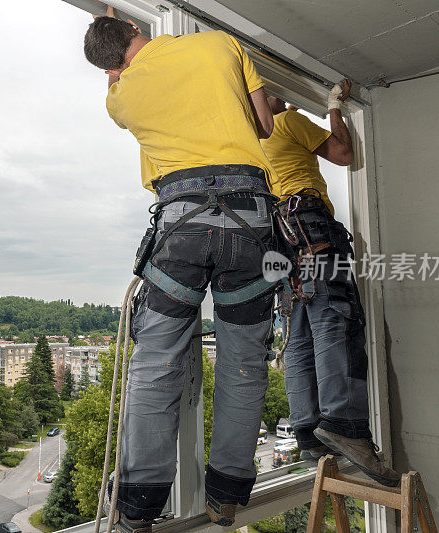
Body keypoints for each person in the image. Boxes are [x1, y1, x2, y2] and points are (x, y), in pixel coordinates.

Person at [84, 11, 279, 532]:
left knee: (156, 366)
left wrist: (117, 75)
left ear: (111, 68)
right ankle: (225, 498)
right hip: (250, 224)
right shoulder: (220, 45)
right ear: (132, 24)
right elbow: (264, 126)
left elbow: (122, 81)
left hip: (180, 225)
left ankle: (137, 510)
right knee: (244, 365)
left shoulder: (119, 101)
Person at [260, 81, 400, 487]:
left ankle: (307, 430)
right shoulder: (286, 122)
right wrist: (334, 107)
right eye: (269, 88)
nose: (278, 93)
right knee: (336, 322)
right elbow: (343, 152)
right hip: (310, 227)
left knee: (301, 332)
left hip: (281, 240)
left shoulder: (251, 142)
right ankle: (346, 427)